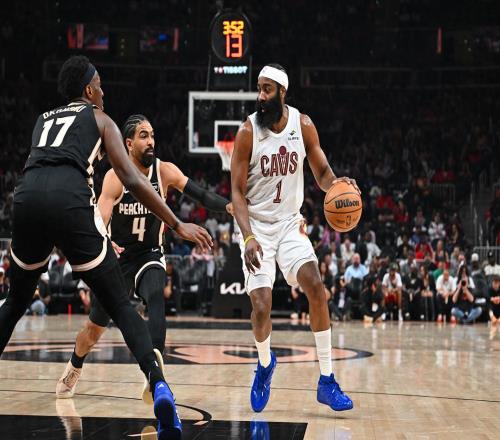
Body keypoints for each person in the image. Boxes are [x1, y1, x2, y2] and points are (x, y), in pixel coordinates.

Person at [0, 56, 212, 439]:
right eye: (98, 83)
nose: (103, 90)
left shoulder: (43, 119)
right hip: (70, 199)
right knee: (120, 305)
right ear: (88, 89)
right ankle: (158, 384)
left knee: (15, 302)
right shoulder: (100, 119)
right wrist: (177, 223)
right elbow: (132, 178)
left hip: (26, 197)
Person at [56, 114, 231, 404]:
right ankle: (75, 364)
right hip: (119, 259)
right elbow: (101, 217)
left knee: (156, 294)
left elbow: (200, 194)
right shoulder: (114, 177)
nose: (151, 141)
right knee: (93, 331)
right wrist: (105, 240)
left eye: (152, 135)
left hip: (150, 253)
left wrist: (229, 206)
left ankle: (155, 370)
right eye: (143, 136)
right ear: (128, 143)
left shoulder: (164, 171)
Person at [231, 64, 357, 413]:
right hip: (256, 227)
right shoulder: (247, 132)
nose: (261, 96)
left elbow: (322, 172)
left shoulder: (303, 125)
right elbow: (236, 192)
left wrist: (339, 186)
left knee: (316, 287)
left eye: (267, 89)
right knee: (261, 306)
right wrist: (247, 237)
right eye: (259, 88)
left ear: (282, 93)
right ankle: (265, 364)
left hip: (289, 224)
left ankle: (327, 381)